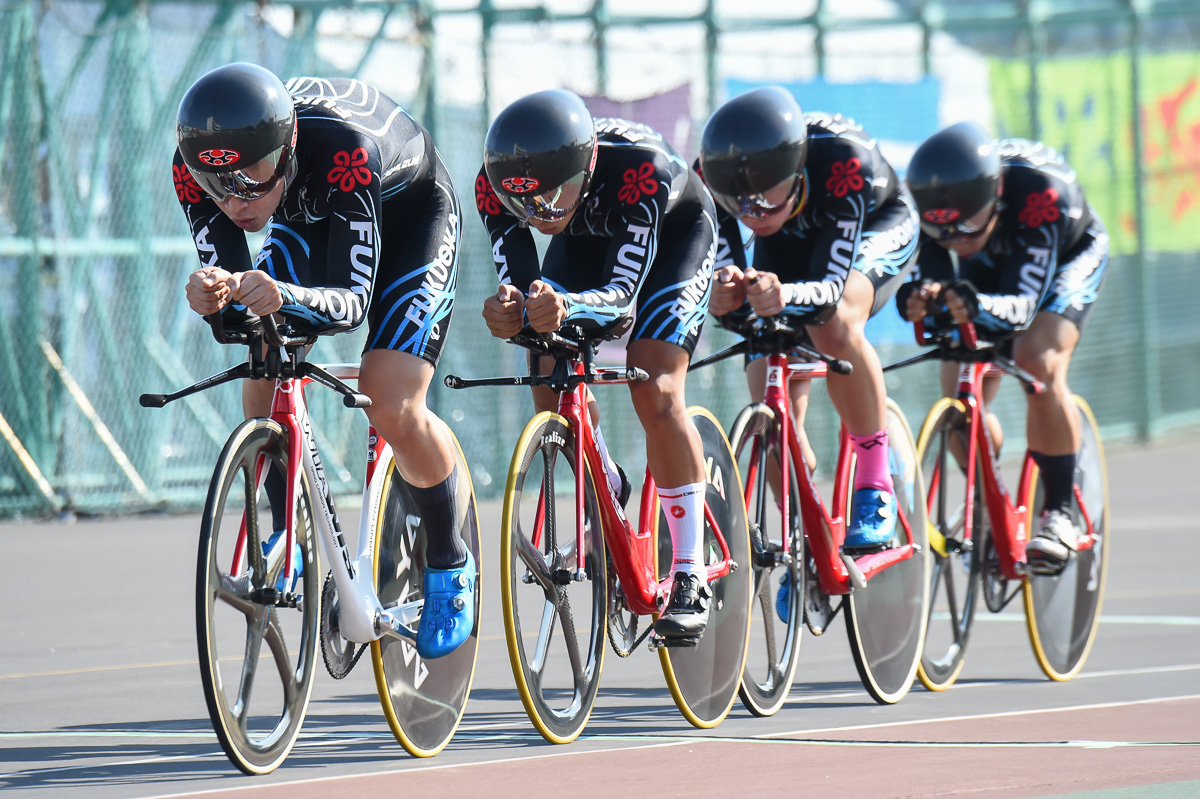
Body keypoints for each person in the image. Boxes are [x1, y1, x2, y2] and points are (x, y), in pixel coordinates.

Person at [173, 63, 473, 658]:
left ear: (285, 152)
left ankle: (449, 558)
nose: (234, 202)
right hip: (312, 215)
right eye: (218, 186)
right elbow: (233, 301)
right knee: (264, 352)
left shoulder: (346, 150)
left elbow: (353, 301)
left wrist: (285, 296)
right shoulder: (195, 166)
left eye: (251, 180)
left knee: (390, 400)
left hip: (412, 223)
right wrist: (217, 299)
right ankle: (291, 522)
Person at [476, 89, 717, 643]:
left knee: (655, 385)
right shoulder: (500, 187)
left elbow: (622, 300)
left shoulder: (641, 172)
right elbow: (518, 275)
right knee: (544, 347)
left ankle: (688, 572)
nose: (538, 213)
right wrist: (514, 308)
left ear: (585, 168)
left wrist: (567, 305)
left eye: (551, 195)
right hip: (586, 241)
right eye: (525, 203)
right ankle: (603, 472)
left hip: (672, 238)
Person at [697, 86, 919, 554]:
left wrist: (782, 294)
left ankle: (875, 482)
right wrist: (726, 293)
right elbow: (726, 283)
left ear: (795, 172)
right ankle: (806, 538)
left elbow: (828, 290)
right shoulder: (711, 177)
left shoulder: (842, 159)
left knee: (833, 322)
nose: (750, 212)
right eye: (738, 203)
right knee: (769, 396)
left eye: (761, 198)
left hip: (873, 230)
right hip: (790, 248)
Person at [898, 121, 1108, 574]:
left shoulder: (1040, 194)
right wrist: (922, 301)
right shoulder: (925, 209)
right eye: (943, 234)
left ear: (994, 199)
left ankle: (1058, 514)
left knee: (1037, 360)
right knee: (958, 391)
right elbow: (931, 285)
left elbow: (1023, 309)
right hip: (992, 272)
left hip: (1063, 261)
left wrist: (974, 305)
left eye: (965, 228)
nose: (954, 241)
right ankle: (992, 499)